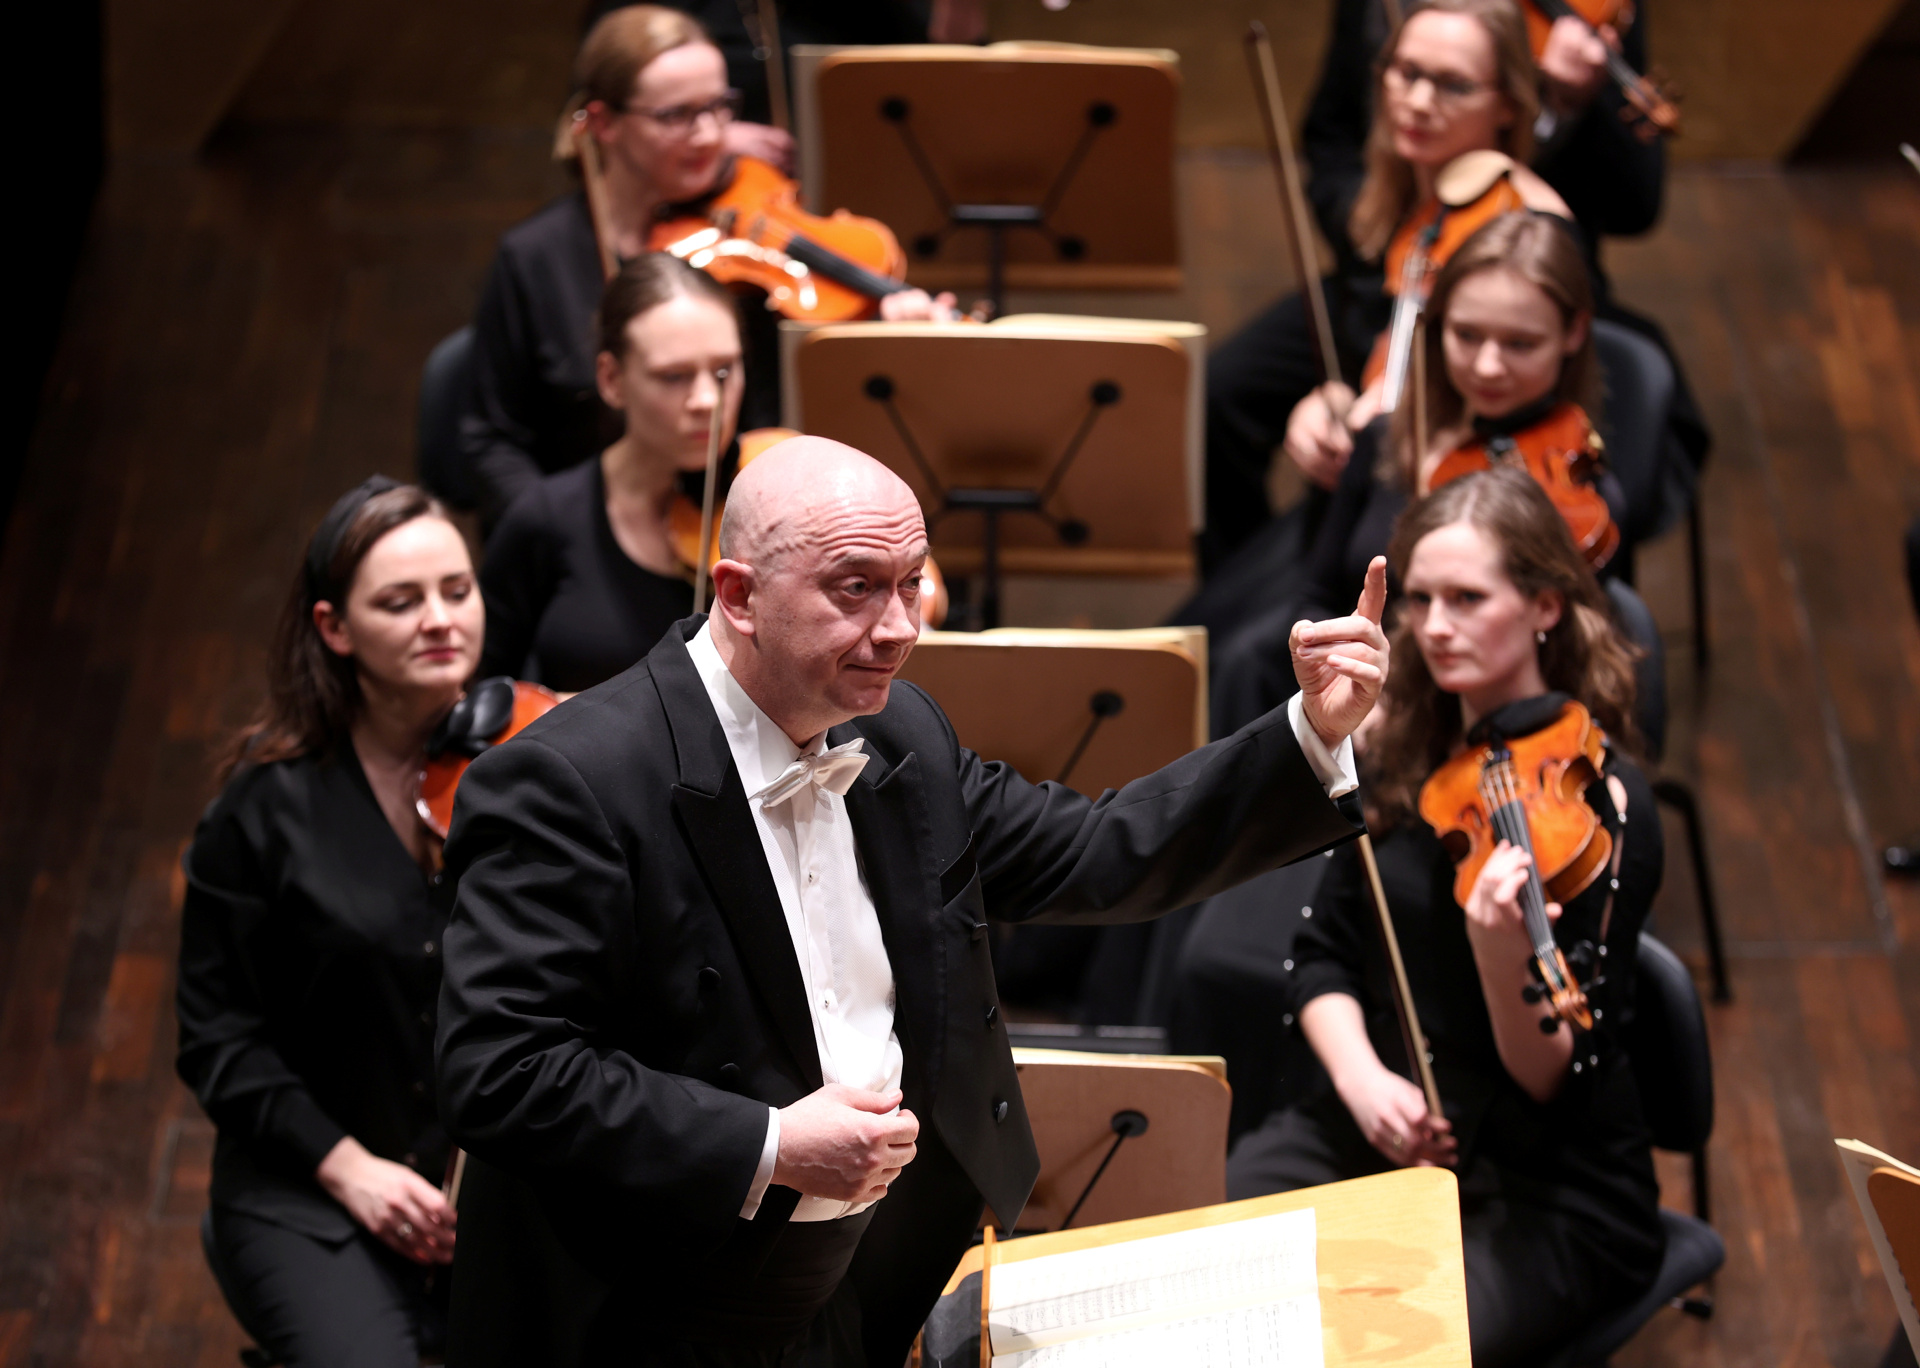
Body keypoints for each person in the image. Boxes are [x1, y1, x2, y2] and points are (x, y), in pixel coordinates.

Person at [433, 437, 1392, 1366]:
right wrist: (769, 1142)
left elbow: (1098, 851)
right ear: (739, 596)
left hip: (861, 1286)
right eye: (855, 588)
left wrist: (1310, 733)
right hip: (650, 1304)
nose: (899, 628)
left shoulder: (902, 737)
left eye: (910, 583)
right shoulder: (573, 779)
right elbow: (502, 1068)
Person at [1226, 466, 1666, 1367]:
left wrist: (1500, 952)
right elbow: (1320, 954)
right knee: (1211, 1262)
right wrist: (1364, 1084)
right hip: (1384, 1120)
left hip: (1543, 1184)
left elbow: (1556, 1082)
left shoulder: (1602, 804)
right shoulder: (1394, 752)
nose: (1433, 627)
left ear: (1545, 606)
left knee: (1391, 1352)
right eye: (1421, 599)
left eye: (1467, 599)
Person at [176, 478, 484, 1366]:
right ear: (334, 628)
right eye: (401, 601)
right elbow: (218, 1040)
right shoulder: (260, 813)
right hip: (312, 1188)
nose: (440, 620)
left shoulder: (530, 772)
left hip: (494, 1196)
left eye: (457, 591)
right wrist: (349, 1168)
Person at [461, 5, 953, 528]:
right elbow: (490, 440)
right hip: (586, 531)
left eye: (719, 107)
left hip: (740, 531)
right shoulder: (536, 257)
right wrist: (558, 532)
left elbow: (811, 414)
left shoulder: (750, 248)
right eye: (676, 116)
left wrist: (885, 340)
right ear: (603, 122)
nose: (708, 136)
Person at [1210, 210, 1638, 736]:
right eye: (1467, 335)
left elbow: (1566, 661)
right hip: (1356, 700)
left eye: (1520, 344)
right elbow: (1317, 593)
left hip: (1475, 724)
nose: (1487, 366)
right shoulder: (1386, 439)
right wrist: (1342, 688)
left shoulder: (1581, 497)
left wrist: (1398, 710)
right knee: (1240, 665)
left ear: (1573, 333)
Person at [1197, 0, 1572, 576]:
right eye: (1406, 73)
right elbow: (1382, 347)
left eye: (1453, 85)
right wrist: (1337, 400)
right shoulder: (1407, 198)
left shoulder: (1524, 227)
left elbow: (1487, 385)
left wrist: (1377, 415)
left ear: (1508, 103)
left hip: (1445, 477)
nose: (1418, 102)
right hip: (1376, 406)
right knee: (1219, 395)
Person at [476, 254, 732, 692]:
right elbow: (479, 687)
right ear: (612, 379)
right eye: (674, 376)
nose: (707, 399)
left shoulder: (771, 503)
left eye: (724, 371)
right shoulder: (544, 518)